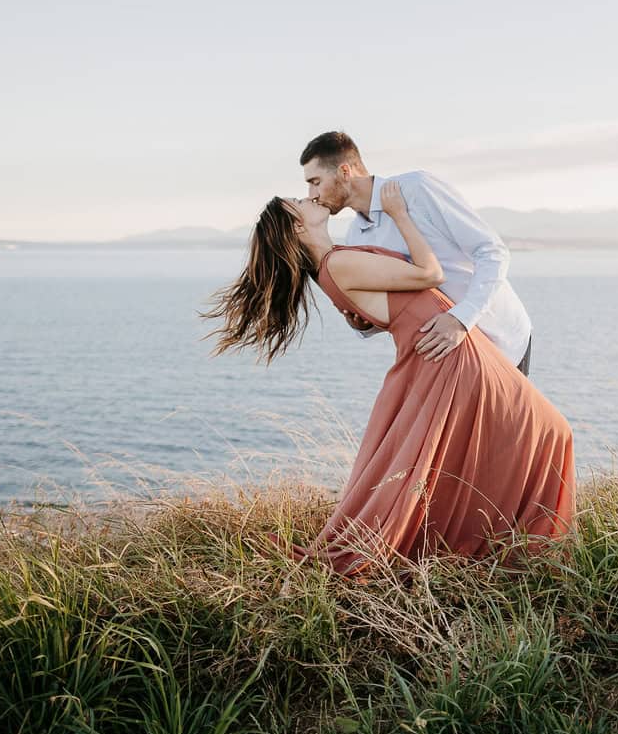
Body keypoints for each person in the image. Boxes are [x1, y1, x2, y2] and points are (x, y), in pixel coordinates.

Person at [203, 183, 576, 576]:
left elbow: (395, 305)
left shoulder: (335, 264)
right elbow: (429, 273)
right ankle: (524, 548)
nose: (308, 196)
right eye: (298, 201)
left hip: (446, 351)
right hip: (451, 354)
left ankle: (508, 545)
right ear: (296, 227)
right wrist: (399, 214)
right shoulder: (337, 265)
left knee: (507, 445)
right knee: (553, 431)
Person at [301, 131, 534, 375]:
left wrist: (461, 318)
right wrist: (365, 325)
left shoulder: (417, 189)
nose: (312, 195)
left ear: (345, 172)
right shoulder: (355, 238)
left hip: (501, 338)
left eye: (315, 182)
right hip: (449, 357)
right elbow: (394, 305)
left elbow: (492, 250)